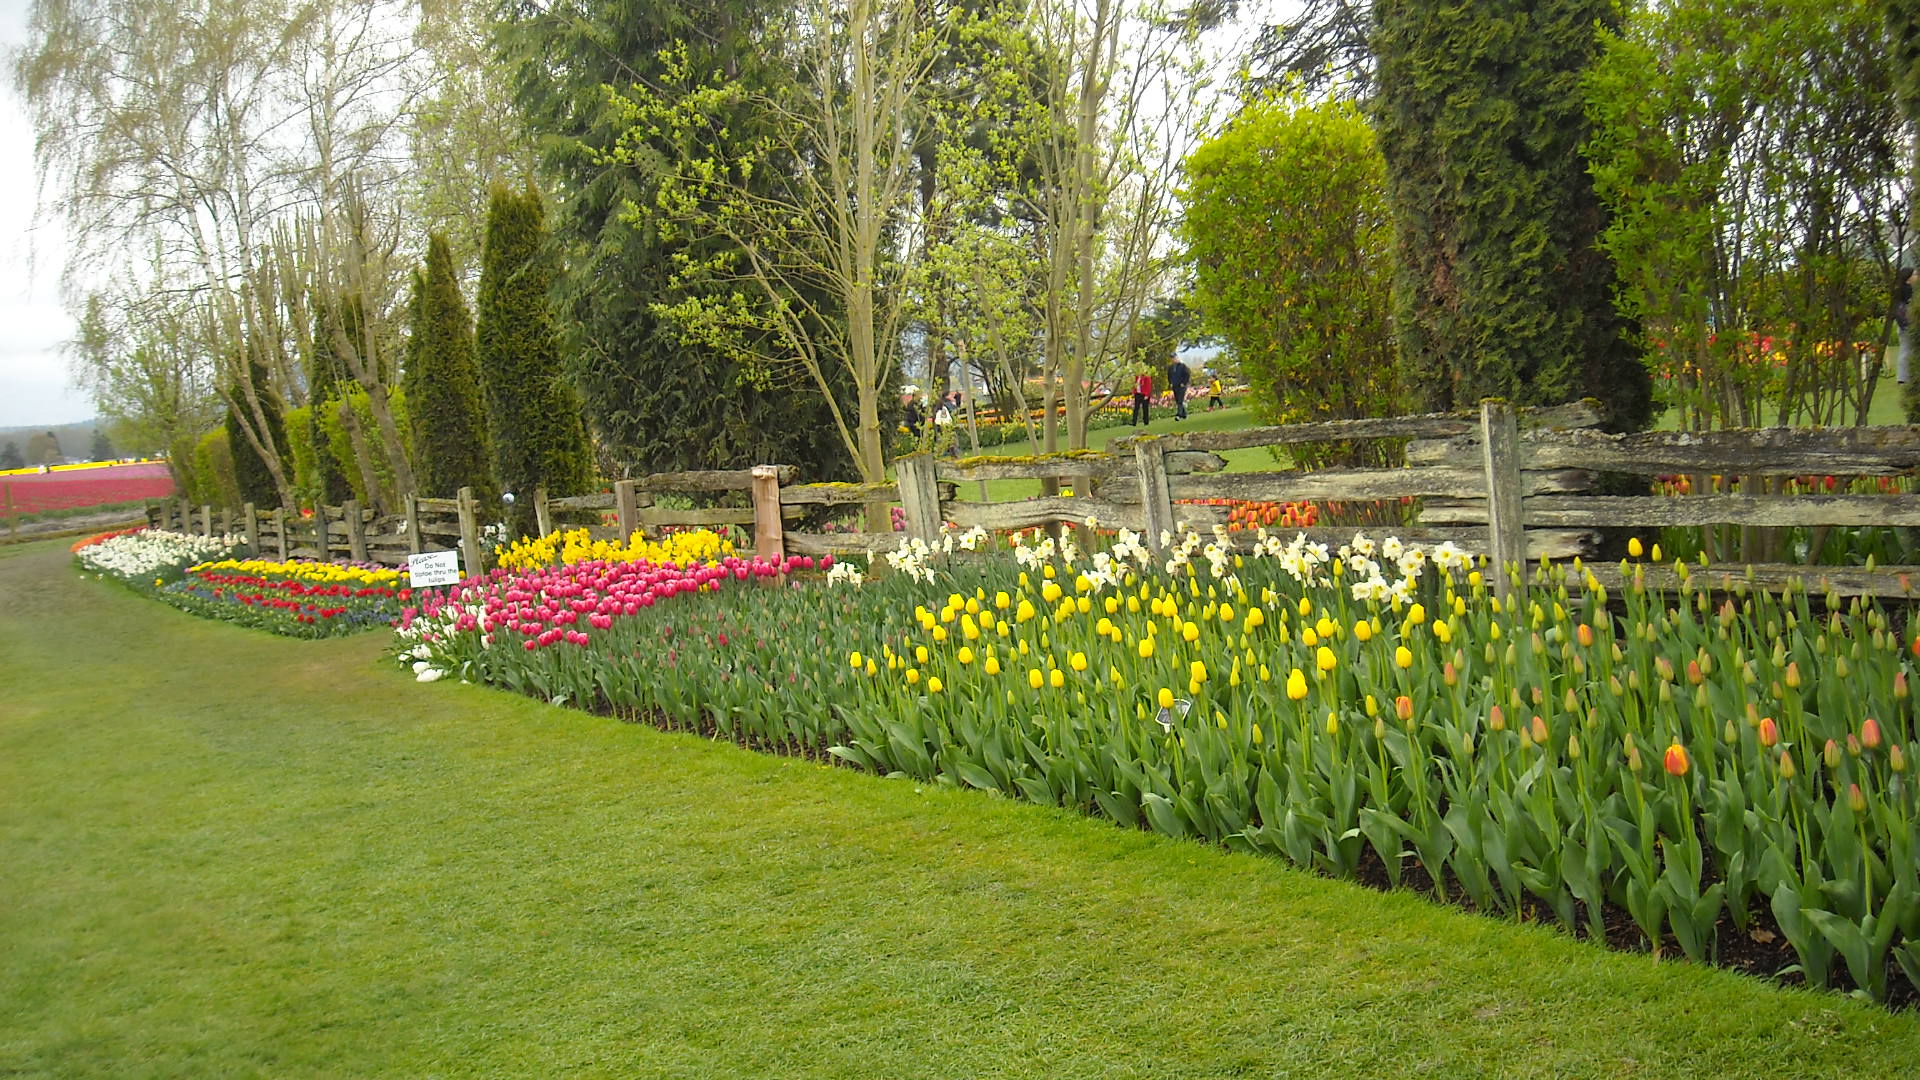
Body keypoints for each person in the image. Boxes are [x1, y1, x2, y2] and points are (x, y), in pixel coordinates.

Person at [1896, 266, 1915, 385]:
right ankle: (1903, 377)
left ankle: (1904, 376)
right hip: (1907, 324)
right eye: (1915, 275)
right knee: (1906, 350)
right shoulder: (1908, 291)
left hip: (1902, 325)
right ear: (1908, 278)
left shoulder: (1900, 291)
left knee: (1905, 350)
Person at [1165, 356, 1191, 420]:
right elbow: (1169, 376)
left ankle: (1179, 415)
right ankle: (1184, 414)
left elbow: (1187, 374)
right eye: (1173, 359)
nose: (1174, 360)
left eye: (1175, 358)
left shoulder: (1182, 366)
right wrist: (1170, 383)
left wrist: (1184, 383)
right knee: (1178, 400)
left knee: (1180, 400)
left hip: (1181, 386)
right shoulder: (1171, 367)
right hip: (1175, 386)